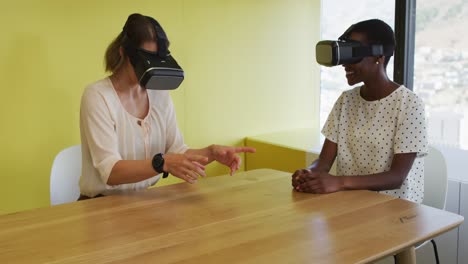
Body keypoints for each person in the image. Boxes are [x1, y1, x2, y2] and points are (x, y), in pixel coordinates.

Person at [79, 13, 255, 199]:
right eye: (145, 61)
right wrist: (161, 163)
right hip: (98, 205)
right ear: (123, 52)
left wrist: (211, 153)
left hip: (140, 202)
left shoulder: (158, 94)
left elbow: (176, 151)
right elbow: (111, 173)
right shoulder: (97, 96)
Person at [292, 19, 428, 203]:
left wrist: (339, 182)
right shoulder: (345, 101)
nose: (345, 64)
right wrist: (310, 173)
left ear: (379, 56)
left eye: (353, 54)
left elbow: (397, 177)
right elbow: (323, 163)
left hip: (396, 212)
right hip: (351, 206)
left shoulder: (409, 104)